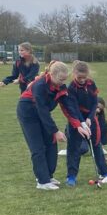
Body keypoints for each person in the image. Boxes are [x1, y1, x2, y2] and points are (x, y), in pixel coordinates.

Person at [17, 61, 90, 190]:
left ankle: (48, 176)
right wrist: (55, 131)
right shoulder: (39, 86)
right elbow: (42, 111)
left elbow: (69, 107)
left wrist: (79, 125)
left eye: (64, 80)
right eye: (60, 79)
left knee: (51, 143)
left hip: (42, 115)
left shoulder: (61, 87)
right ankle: (42, 182)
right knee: (37, 147)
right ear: (51, 74)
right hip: (28, 113)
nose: (63, 83)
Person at [64, 61, 107, 186]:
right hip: (76, 120)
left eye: (84, 77)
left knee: (97, 146)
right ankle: (71, 176)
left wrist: (90, 117)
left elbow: (95, 102)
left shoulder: (91, 84)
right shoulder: (71, 88)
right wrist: (82, 122)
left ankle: (105, 173)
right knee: (74, 148)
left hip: (90, 119)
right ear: (74, 74)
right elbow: (74, 108)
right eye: (79, 77)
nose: (82, 80)